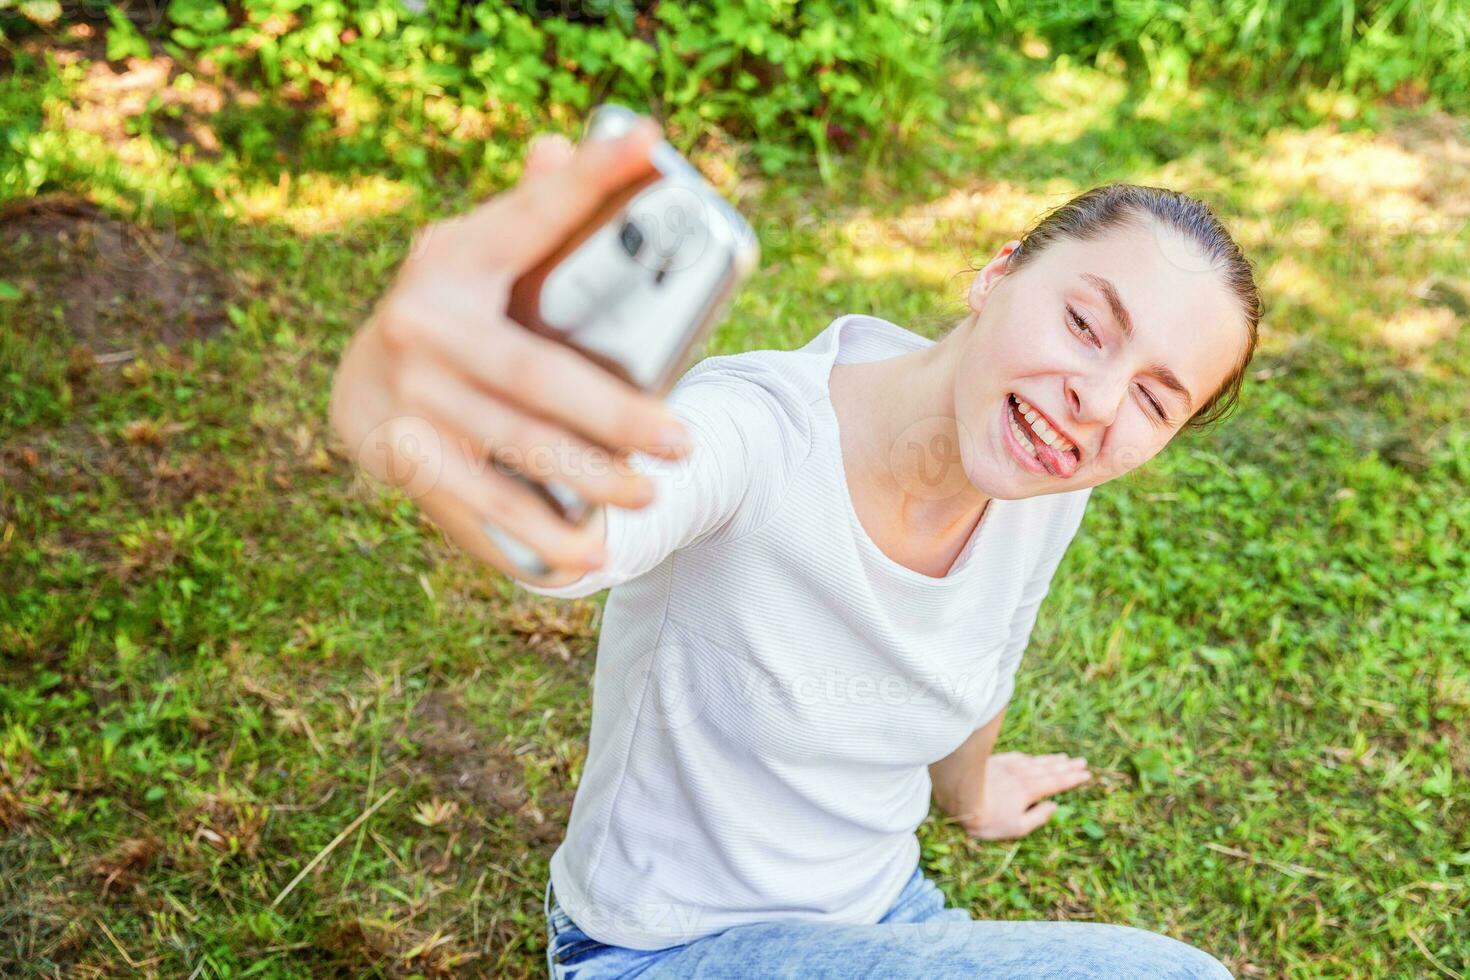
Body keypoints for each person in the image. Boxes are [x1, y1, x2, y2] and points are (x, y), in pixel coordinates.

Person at [330, 116, 1257, 978]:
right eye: (1087, 325)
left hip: (885, 921)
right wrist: (399, 401)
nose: (1095, 399)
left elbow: (986, 661)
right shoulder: (756, 429)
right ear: (997, 274)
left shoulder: (1047, 481)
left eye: (1152, 398)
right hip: (666, 948)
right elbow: (578, 534)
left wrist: (972, 797)